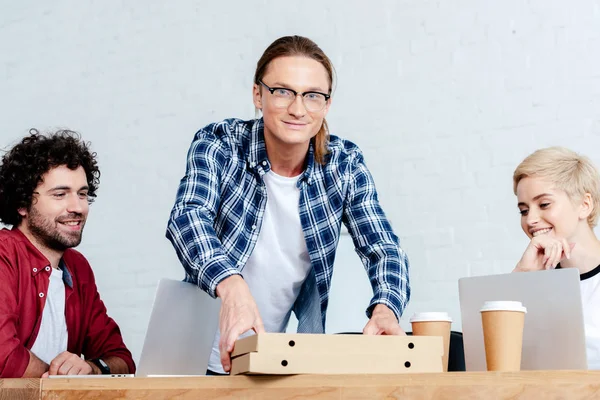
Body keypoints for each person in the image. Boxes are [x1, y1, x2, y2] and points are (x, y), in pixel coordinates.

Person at [166, 35, 410, 375]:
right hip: (190, 355)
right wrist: (232, 286)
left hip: (268, 355)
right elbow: (187, 216)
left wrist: (386, 308)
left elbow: (383, 247)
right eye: (282, 92)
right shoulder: (219, 143)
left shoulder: (343, 164)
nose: (298, 109)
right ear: (257, 94)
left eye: (312, 96)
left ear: (326, 105)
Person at [0, 130, 135, 378]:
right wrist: (65, 383)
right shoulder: (4, 254)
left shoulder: (77, 267)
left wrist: (93, 369)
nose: (77, 207)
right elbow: (5, 358)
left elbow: (121, 359)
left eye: (82, 194)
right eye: (60, 194)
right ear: (22, 204)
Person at [513, 146, 600, 368]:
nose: (531, 219)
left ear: (584, 205)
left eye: (544, 204)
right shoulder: (533, 277)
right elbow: (499, 360)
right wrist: (521, 277)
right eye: (524, 210)